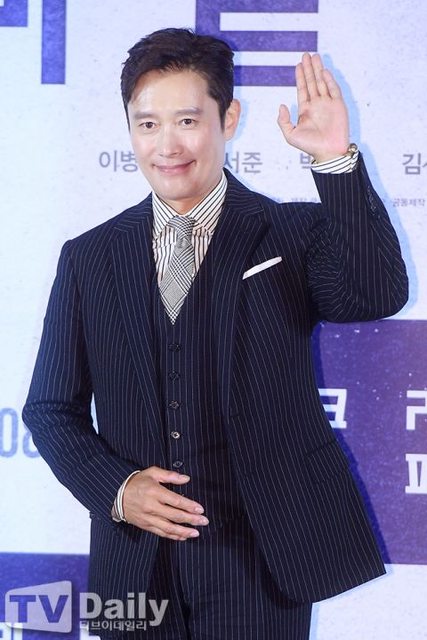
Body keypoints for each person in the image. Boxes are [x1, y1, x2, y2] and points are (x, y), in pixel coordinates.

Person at [23, 27, 408, 639]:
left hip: (261, 563)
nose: (167, 145)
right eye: (147, 124)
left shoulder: (288, 234)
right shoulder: (89, 257)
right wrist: (117, 489)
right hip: (133, 569)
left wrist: (334, 160)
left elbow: (377, 293)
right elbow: (50, 409)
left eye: (187, 120)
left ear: (228, 118)